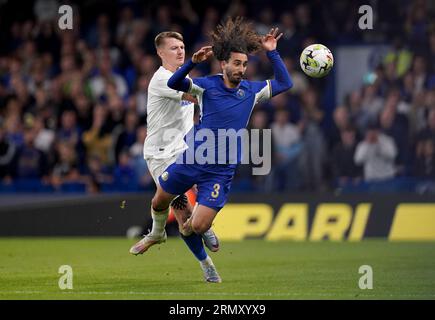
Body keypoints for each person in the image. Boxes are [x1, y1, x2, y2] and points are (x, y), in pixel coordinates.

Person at [141, 17, 292, 282]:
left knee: (195, 225)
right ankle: (158, 233)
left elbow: (284, 83)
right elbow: (175, 83)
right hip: (193, 158)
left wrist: (273, 52)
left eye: (244, 64)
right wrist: (192, 63)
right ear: (223, 63)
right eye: (236, 63)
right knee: (159, 200)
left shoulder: (252, 91)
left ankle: (203, 251)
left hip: (221, 171)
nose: (241, 69)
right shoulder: (206, 85)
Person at [128, 31, 220, 283]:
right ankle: (199, 256)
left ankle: (202, 255)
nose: (180, 51)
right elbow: (193, 95)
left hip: (184, 151)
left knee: (186, 210)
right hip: (160, 155)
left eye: (182, 46)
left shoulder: (185, 76)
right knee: (179, 214)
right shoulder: (161, 80)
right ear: (160, 53)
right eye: (173, 48)